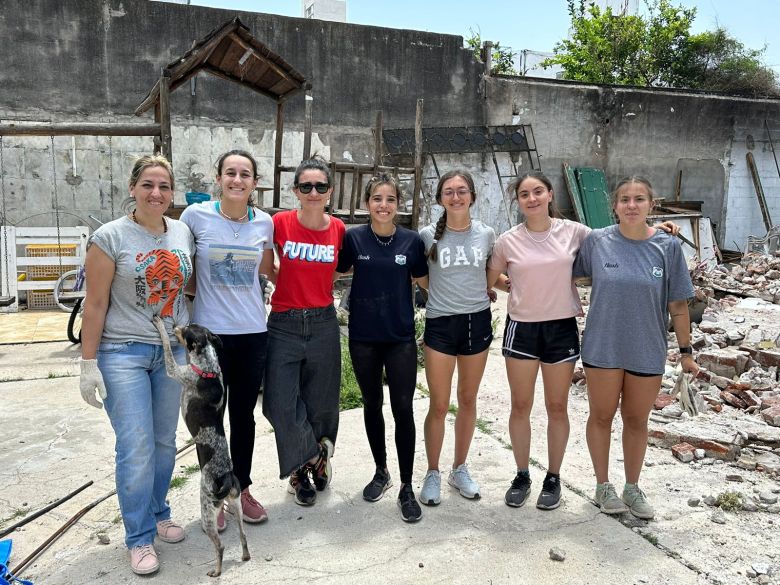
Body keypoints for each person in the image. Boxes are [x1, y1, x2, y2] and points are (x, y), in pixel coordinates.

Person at [79, 155, 194, 576]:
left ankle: (159, 510)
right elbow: (94, 304)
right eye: (148, 184)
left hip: (171, 353)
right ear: (132, 188)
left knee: (164, 441)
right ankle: (139, 537)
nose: (156, 193)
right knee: (137, 445)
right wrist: (87, 363)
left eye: (164, 186)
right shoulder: (109, 237)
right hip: (122, 352)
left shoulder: (181, 231)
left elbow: (187, 289)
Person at [573, 176, 698, 519]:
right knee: (600, 416)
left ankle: (632, 487)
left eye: (639, 199)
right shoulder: (597, 242)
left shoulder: (669, 247)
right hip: (602, 346)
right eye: (625, 199)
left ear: (651, 205)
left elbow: (678, 305)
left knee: (636, 419)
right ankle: (602, 485)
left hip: (647, 348)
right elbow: (563, 272)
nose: (631, 205)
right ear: (614, 205)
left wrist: (686, 353)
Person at [179, 150, 274, 531]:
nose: (237, 180)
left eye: (245, 174)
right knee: (210, 421)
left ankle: (243, 489)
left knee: (244, 418)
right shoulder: (194, 217)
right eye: (230, 173)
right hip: (209, 340)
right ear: (217, 178)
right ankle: (216, 493)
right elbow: (185, 272)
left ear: (254, 182)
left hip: (252, 333)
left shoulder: (264, 223)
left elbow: (267, 272)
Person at [486, 171, 589, 510]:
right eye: (524, 194)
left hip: (561, 329)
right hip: (523, 329)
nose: (532, 199)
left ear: (550, 195)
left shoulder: (574, 231)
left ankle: (554, 476)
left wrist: (654, 232)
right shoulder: (507, 240)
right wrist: (507, 286)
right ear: (518, 201)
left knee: (557, 406)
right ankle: (521, 474)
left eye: (538, 191)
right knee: (520, 405)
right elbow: (489, 274)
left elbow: (617, 239)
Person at [335, 173, 428, 522]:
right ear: (366, 203)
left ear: (398, 205)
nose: (383, 205)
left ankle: (406, 485)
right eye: (377, 198)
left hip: (400, 337)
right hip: (363, 338)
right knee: (372, 404)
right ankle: (381, 471)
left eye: (390, 199)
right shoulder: (353, 238)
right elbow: (332, 271)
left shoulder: (412, 241)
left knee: (403, 408)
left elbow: (427, 282)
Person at [262, 158, 345, 507]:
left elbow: (339, 272)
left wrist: (313, 288)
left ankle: (301, 475)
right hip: (284, 322)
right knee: (279, 402)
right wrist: (292, 285)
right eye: (306, 186)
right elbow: (268, 268)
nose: (314, 192)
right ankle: (312, 456)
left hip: (324, 321)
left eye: (321, 186)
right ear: (295, 191)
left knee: (322, 402)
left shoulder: (339, 229)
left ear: (330, 191)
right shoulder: (279, 223)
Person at [417, 170, 499, 506]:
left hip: (476, 323)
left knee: (468, 399)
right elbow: (422, 278)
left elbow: (491, 273)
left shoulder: (487, 234)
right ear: (439, 199)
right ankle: (433, 471)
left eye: (461, 190)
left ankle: (459, 468)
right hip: (440, 323)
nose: (455, 197)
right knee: (438, 404)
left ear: (472, 196)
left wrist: (493, 289)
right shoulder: (427, 236)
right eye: (448, 192)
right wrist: (445, 295)